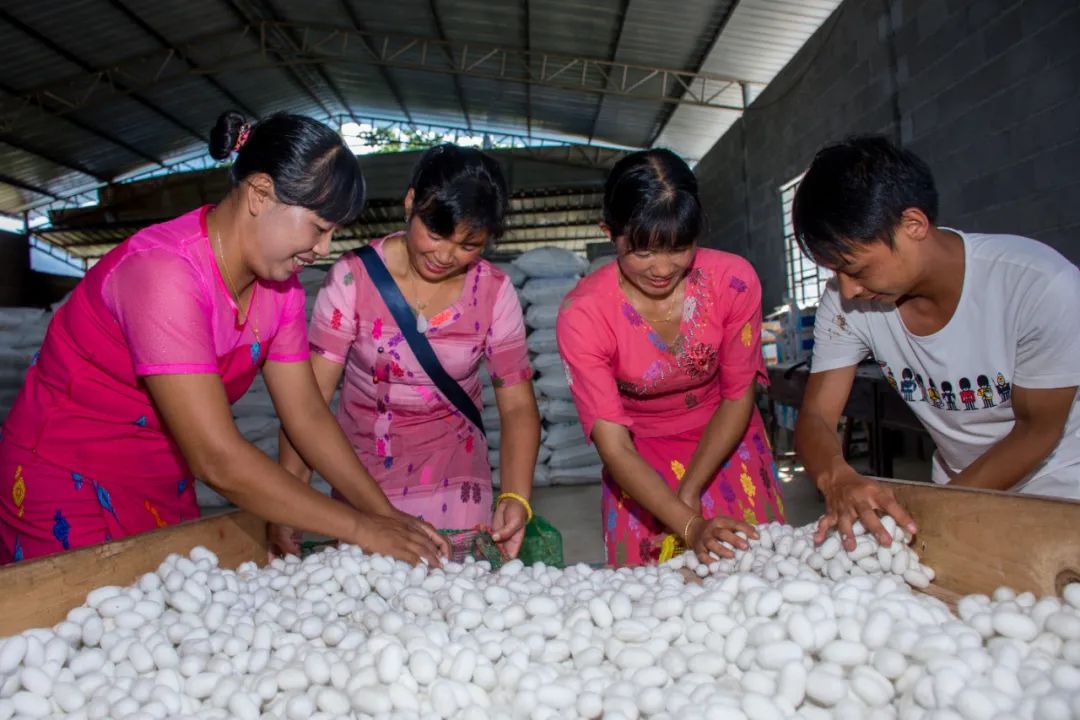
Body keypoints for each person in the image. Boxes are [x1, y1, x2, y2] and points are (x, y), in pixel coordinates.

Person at [0, 111, 448, 565]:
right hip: (67, 478)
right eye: (318, 227)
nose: (323, 249)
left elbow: (307, 417)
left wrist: (385, 518)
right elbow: (216, 456)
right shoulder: (165, 276)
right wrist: (359, 528)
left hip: (160, 478)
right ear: (259, 194)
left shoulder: (280, 288)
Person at [792, 135, 1080, 551]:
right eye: (836, 272)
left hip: (1059, 490)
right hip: (959, 487)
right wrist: (835, 475)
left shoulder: (1038, 286)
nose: (849, 290)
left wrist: (932, 511)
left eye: (855, 268)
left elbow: (1036, 431)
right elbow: (817, 415)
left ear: (913, 225)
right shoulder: (845, 302)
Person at [277, 143, 540, 559]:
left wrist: (516, 495)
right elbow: (307, 404)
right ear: (411, 201)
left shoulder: (493, 291)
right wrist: (288, 500)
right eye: (435, 233)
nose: (445, 255)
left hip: (457, 486)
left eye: (468, 245)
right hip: (362, 486)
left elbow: (518, 407)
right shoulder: (353, 280)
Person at [556, 149, 784, 567]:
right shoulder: (585, 313)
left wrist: (692, 488)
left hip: (726, 439)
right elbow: (615, 446)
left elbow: (737, 395)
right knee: (651, 593)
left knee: (755, 570)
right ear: (610, 233)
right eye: (642, 251)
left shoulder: (732, 282)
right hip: (639, 459)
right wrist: (689, 522)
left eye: (679, 247)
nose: (662, 268)